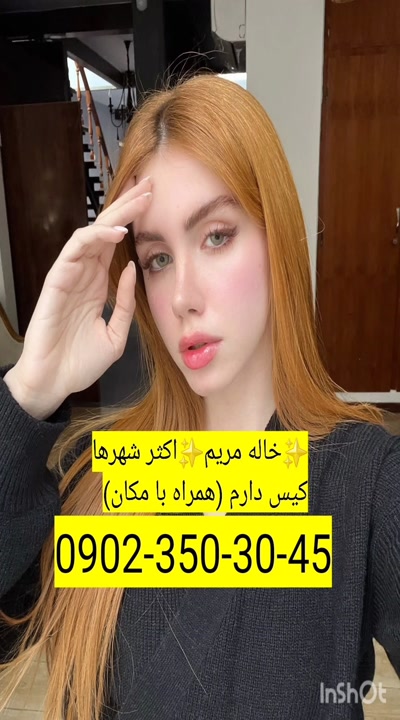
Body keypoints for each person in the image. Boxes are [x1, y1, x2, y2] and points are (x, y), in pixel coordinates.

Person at [0, 72, 399, 720]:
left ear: (277, 237)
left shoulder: (361, 482)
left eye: (216, 235)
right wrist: (29, 390)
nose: (183, 295)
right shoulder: (106, 478)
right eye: (157, 258)